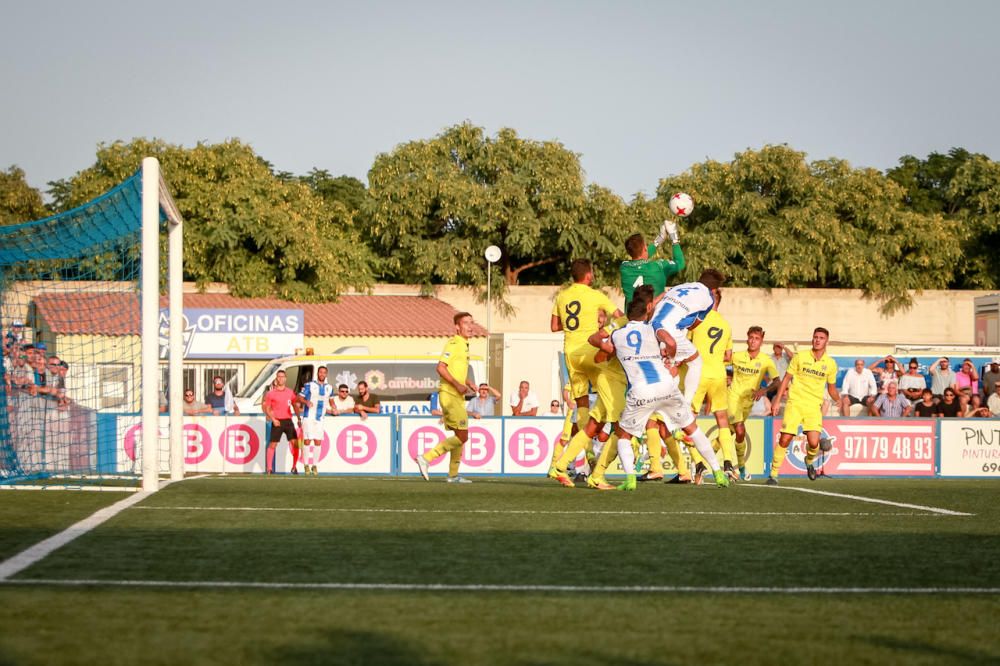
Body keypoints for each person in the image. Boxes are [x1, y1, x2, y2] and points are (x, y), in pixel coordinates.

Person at [593, 291, 729, 490]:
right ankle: (718, 472)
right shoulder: (654, 328)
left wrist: (610, 349)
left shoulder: (617, 334)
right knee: (692, 429)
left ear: (627, 315)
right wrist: (670, 359)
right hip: (666, 387)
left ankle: (630, 479)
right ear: (647, 312)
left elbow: (594, 340)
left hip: (640, 392)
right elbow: (672, 342)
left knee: (624, 436)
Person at [547, 258, 624, 487]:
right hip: (591, 351)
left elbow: (553, 326)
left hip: (570, 354)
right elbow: (619, 316)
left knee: (581, 405)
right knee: (608, 405)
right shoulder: (596, 295)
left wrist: (574, 326)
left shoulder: (562, 296)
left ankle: (583, 456)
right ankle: (593, 462)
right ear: (588, 275)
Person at [768, 327, 840, 484]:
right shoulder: (800, 356)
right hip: (795, 403)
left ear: (826, 341)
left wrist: (839, 400)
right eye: (815, 337)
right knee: (785, 438)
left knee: (814, 443)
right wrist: (777, 401)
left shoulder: (830, 364)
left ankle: (809, 461)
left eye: (821, 337)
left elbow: (832, 389)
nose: (817, 340)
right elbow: (786, 379)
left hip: (814, 407)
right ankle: (773, 474)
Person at [415, 312, 479, 483]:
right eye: (466, 323)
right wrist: (457, 385)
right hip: (450, 395)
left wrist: (468, 382)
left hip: (456, 396)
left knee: (459, 435)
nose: (470, 326)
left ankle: (453, 475)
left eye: (471, 322)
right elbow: (441, 367)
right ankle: (426, 457)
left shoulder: (464, 345)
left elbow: (455, 370)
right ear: (457, 327)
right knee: (463, 436)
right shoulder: (454, 343)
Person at [688, 289, 737, 484]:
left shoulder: (696, 321)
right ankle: (727, 461)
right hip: (718, 374)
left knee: (688, 420)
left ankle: (699, 463)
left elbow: (687, 346)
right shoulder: (726, 324)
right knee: (722, 419)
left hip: (698, 374)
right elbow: (728, 356)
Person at [728, 326, 779, 480]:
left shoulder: (765, 361)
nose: (753, 341)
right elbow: (720, 363)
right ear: (747, 338)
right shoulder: (736, 356)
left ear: (761, 341)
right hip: (733, 397)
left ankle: (703, 461)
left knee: (731, 431)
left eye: (756, 338)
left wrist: (764, 391)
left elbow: (777, 381)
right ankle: (740, 467)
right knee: (740, 429)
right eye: (751, 337)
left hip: (748, 402)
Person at [618, 219, 685, 311]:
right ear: (645, 248)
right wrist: (674, 237)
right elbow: (680, 263)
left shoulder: (624, 268)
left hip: (633, 319)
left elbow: (639, 255)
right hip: (654, 318)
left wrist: (660, 239)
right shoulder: (658, 266)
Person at [295, 365, 333, 475]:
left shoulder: (329, 387)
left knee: (318, 441)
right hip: (308, 417)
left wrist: (334, 406)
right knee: (307, 441)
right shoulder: (310, 385)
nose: (322, 374)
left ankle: (314, 465)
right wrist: (306, 402)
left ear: (326, 374)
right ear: (318, 373)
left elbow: (330, 400)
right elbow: (299, 397)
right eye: (320, 372)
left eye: (324, 373)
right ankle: (306, 465)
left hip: (320, 418)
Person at [262, 369, 301, 474]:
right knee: (273, 445)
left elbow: (295, 405)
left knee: (296, 444)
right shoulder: (271, 393)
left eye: (282, 376)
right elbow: (267, 408)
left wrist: (298, 418)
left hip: (288, 421)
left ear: (285, 378)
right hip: (277, 421)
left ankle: (294, 467)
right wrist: (273, 419)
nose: (281, 378)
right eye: (279, 376)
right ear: (276, 378)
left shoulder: (290, 392)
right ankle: (269, 468)